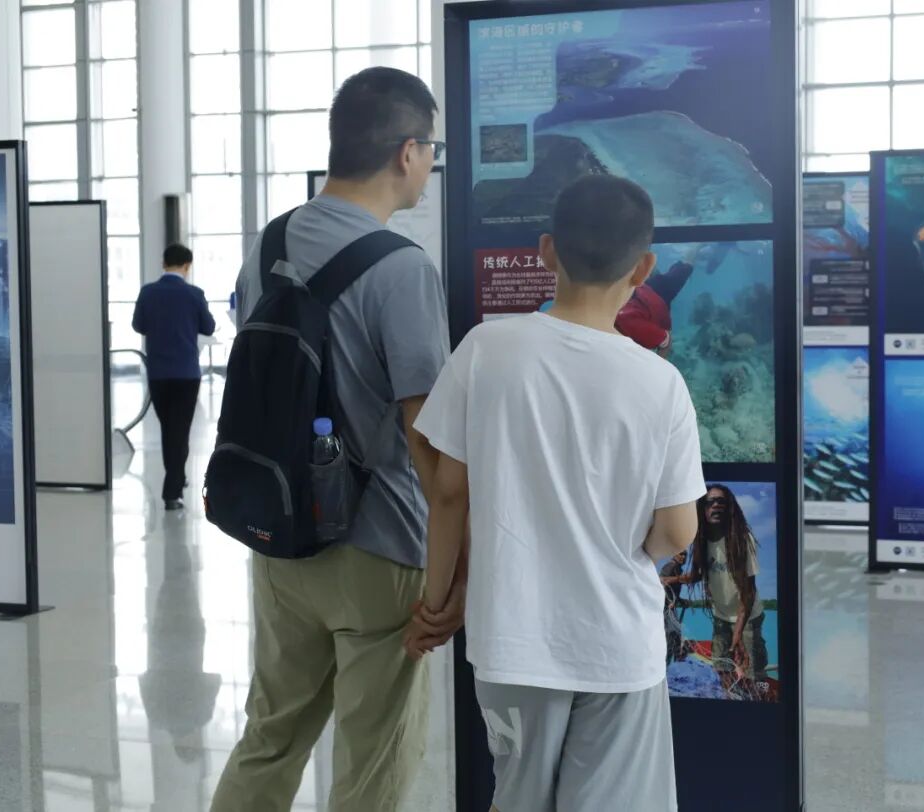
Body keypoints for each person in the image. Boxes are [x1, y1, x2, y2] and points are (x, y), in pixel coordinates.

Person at [407, 175, 705, 812]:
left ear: (546, 251)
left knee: (517, 796)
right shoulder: (661, 383)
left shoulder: (486, 348)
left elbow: (450, 494)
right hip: (618, 643)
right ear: (644, 268)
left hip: (511, 640)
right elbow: (678, 532)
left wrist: (437, 603)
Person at [210, 67, 452, 812]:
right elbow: (428, 443)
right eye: (432, 150)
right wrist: (451, 575)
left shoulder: (269, 242)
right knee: (373, 760)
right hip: (378, 545)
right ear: (407, 152)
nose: (430, 164)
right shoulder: (402, 269)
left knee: (271, 735)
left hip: (280, 532)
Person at [132, 244, 215, 510]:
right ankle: (172, 492)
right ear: (187, 266)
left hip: (158, 374)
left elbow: (138, 325)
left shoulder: (148, 293)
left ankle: (177, 478)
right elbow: (209, 327)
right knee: (179, 430)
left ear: (163, 263)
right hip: (186, 374)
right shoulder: (194, 294)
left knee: (170, 428)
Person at [680, 484, 769, 697]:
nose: (716, 506)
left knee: (752, 671)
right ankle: (730, 700)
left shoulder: (741, 540)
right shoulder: (701, 541)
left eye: (721, 501)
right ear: (703, 509)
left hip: (747, 616)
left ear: (729, 508)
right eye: (710, 502)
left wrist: (737, 634)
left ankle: (760, 700)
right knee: (721, 667)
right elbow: (698, 575)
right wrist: (668, 579)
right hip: (721, 615)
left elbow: (748, 592)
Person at [615, 259, 693, 357]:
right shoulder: (621, 320)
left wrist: (659, 363)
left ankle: (692, 255)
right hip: (643, 292)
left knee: (685, 269)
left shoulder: (627, 322)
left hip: (658, 293)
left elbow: (666, 340)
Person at [660, 549, 689, 664]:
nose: (683, 557)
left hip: (670, 608)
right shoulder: (670, 566)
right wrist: (668, 600)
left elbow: (673, 591)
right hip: (665, 608)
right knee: (671, 635)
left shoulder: (678, 570)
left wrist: (680, 600)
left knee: (676, 634)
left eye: (685, 555)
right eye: (681, 554)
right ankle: (666, 663)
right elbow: (661, 583)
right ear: (674, 554)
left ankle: (674, 662)